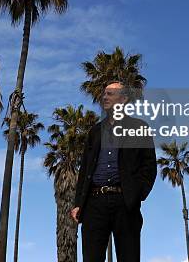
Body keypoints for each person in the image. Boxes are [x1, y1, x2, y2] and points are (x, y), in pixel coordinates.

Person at [71, 81, 157, 261]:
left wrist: (137, 194)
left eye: (110, 93)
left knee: (129, 257)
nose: (104, 97)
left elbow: (149, 166)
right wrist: (78, 203)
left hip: (125, 202)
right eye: (104, 94)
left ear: (124, 99)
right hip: (94, 203)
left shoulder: (139, 127)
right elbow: (85, 168)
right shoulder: (95, 131)